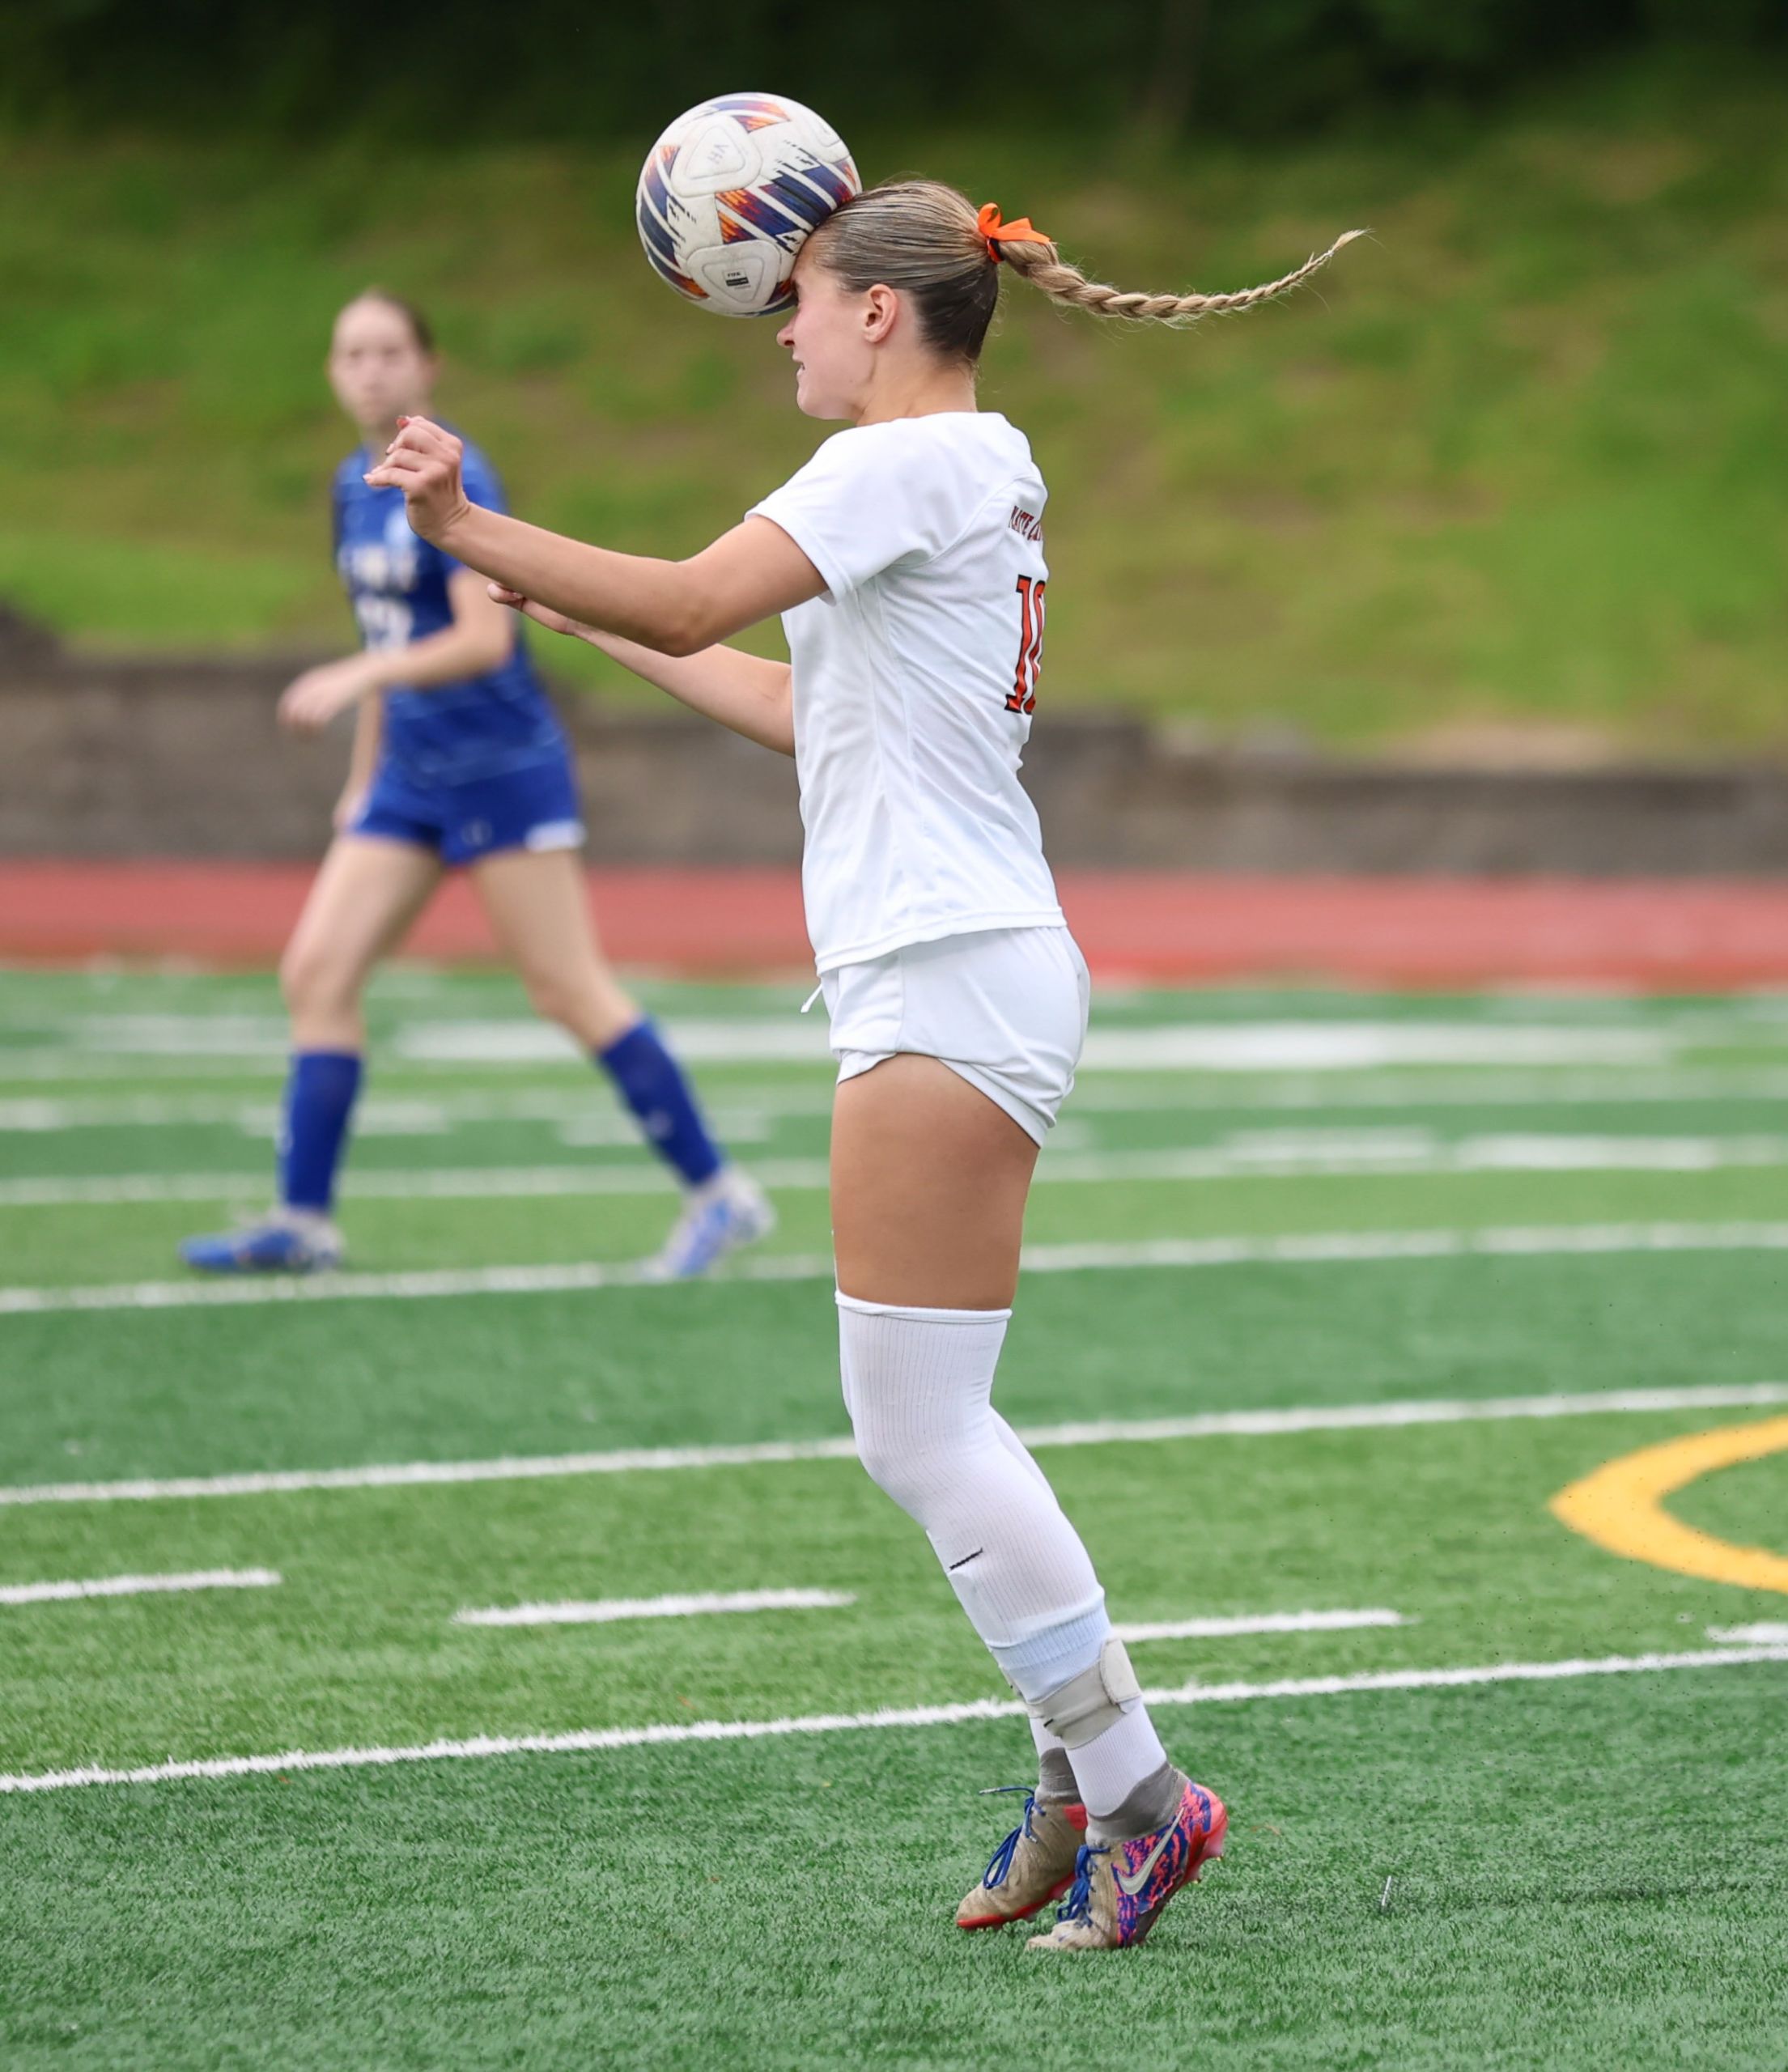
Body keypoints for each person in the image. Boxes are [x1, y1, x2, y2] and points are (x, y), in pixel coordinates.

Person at [366, 193, 1357, 1951]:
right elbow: (786, 703)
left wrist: (465, 522)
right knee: (934, 1420)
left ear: (884, 313)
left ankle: (1136, 1793)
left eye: (805, 298)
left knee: (918, 1428)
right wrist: (577, 610)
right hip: (969, 961)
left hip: (944, 973)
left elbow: (691, 595)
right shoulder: (970, 463)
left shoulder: (894, 466)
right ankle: (1079, 1771)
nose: (783, 326)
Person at [180, 291, 771, 1280]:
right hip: (407, 778)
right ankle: (304, 1220)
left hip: (501, 771)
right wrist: (363, 776)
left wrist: (356, 676)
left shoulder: (460, 474)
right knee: (315, 974)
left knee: (566, 989)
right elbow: (386, 635)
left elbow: (481, 639)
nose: (369, 369)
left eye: (388, 351)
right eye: (351, 353)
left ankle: (721, 1195)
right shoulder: (350, 485)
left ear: (428, 367)